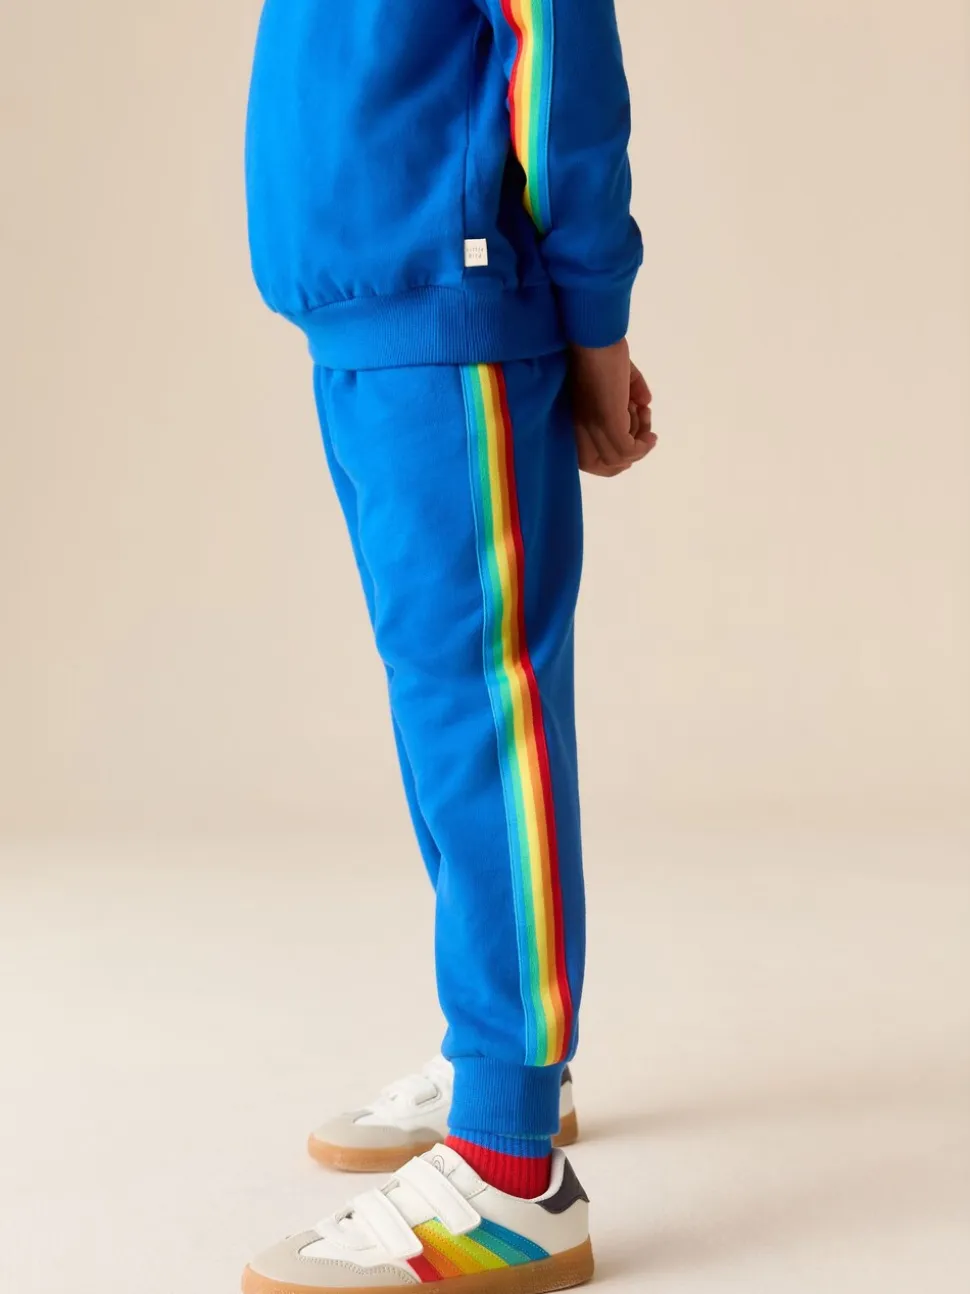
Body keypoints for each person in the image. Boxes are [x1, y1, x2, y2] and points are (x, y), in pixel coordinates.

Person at [242, 0, 655, 1288]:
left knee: (481, 718)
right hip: (367, 316)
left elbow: (560, 57)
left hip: (451, 307)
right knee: (446, 713)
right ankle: (499, 1059)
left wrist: (596, 324)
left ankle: (511, 1169)